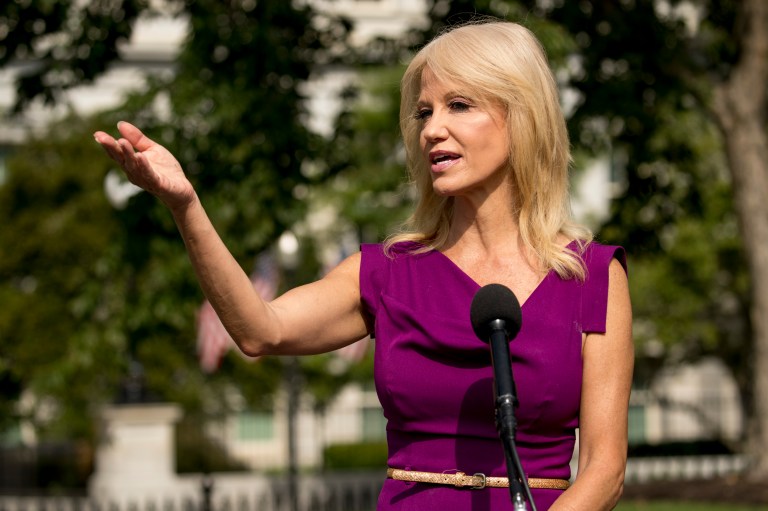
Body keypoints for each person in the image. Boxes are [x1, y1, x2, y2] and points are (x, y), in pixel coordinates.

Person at [94, 20, 633, 511]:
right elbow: (261, 330)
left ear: (522, 117)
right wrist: (185, 205)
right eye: (424, 112)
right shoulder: (387, 272)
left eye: (458, 105)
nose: (432, 129)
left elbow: (604, 470)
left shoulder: (592, 277)